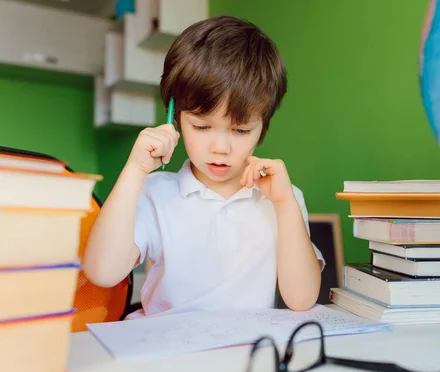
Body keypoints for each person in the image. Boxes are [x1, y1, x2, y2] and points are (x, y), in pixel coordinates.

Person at [83, 15, 324, 318]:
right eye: (201, 126)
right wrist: (134, 170)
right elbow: (102, 273)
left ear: (263, 128)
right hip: (166, 351)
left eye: (240, 130)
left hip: (242, 355)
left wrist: (286, 203)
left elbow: (301, 299)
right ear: (176, 118)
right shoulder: (155, 193)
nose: (220, 148)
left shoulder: (281, 199)